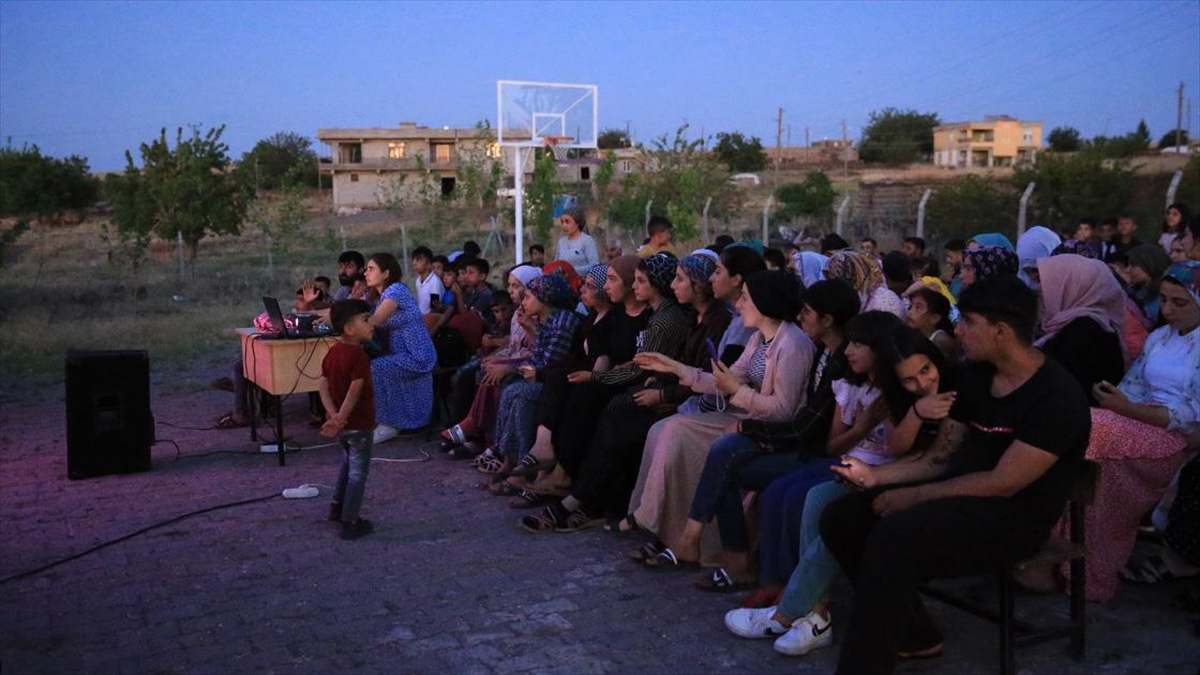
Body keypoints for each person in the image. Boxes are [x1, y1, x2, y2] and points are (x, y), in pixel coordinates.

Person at [821, 276, 1090, 674]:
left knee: (892, 540)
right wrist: (879, 478)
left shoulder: (1057, 398)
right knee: (842, 519)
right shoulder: (974, 376)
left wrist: (914, 497)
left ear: (1000, 332)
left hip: (1012, 518)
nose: (957, 330)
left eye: (967, 321)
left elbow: (1004, 483)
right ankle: (918, 634)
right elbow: (941, 458)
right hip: (960, 497)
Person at [725, 324, 955, 656]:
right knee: (817, 497)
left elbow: (934, 460)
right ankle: (817, 614)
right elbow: (900, 445)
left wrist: (876, 473)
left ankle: (789, 611)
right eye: (909, 379)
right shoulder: (903, 397)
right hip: (888, 470)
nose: (922, 382)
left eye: (926, 370)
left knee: (840, 519)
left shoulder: (954, 391)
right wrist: (918, 411)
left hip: (911, 480)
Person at [621, 269, 814, 569]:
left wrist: (737, 392)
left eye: (746, 299)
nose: (739, 305)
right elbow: (723, 380)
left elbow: (783, 411)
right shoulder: (759, 340)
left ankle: (685, 535)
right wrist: (675, 367)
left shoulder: (794, 345)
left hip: (771, 432)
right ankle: (663, 524)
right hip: (749, 419)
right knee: (669, 428)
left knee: (683, 433)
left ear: (765, 303)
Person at [696, 280, 861, 600]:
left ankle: (776, 580)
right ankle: (744, 564)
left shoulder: (834, 358)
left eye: (808, 311)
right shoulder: (824, 352)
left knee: (749, 469)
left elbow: (799, 423)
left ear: (827, 320)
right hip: (801, 442)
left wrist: (751, 429)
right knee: (725, 461)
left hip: (815, 451)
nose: (801, 316)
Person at [1063, 261, 1200, 602]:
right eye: (1165, 300)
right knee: (1089, 451)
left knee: (1093, 429)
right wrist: (1117, 400)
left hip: (1178, 439)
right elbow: (1134, 386)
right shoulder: (1159, 338)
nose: (1167, 310)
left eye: (1179, 302)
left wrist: (1126, 409)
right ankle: (1070, 564)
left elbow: (1189, 417)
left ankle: (1085, 569)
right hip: (1137, 425)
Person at [318, 299, 378, 540]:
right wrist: (341, 416)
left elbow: (321, 384)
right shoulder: (358, 356)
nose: (372, 323)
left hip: (342, 428)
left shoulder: (333, 352)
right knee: (357, 474)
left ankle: (337, 507)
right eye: (365, 320)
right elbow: (356, 389)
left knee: (346, 464)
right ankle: (350, 521)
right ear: (349, 328)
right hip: (358, 424)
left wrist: (333, 415)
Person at [363, 253, 438, 443]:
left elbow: (375, 321)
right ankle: (385, 421)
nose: (366, 273)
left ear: (386, 273)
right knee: (371, 363)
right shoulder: (380, 296)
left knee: (375, 367)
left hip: (417, 356)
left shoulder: (396, 290)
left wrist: (342, 319)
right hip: (402, 354)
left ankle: (387, 424)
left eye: (371, 269)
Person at [1033, 254, 1125, 404]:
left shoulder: (1085, 332)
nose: (1038, 288)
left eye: (1047, 282)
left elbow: (1062, 391)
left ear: (1069, 287)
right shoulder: (1072, 324)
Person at [824, 250, 905, 319]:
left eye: (837, 281)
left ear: (853, 276)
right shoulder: (845, 300)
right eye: (829, 281)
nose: (833, 287)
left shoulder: (884, 302)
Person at [905, 286, 958, 359]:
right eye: (910, 306)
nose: (910, 312)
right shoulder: (914, 333)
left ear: (934, 318)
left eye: (918, 308)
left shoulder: (941, 340)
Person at [1126, 243, 1171, 324]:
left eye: (1133, 265)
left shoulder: (1167, 294)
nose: (1128, 270)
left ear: (1148, 265)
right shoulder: (1135, 292)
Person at [554, 206, 600, 274]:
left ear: (577, 222)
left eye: (567, 222)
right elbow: (556, 263)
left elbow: (595, 265)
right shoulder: (561, 241)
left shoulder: (587, 240)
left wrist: (572, 270)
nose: (564, 226)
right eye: (562, 222)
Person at [411, 246, 444, 316]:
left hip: (431, 318)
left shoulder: (434, 282)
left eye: (419, 260)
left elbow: (435, 307)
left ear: (428, 265)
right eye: (413, 260)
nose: (414, 263)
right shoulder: (418, 281)